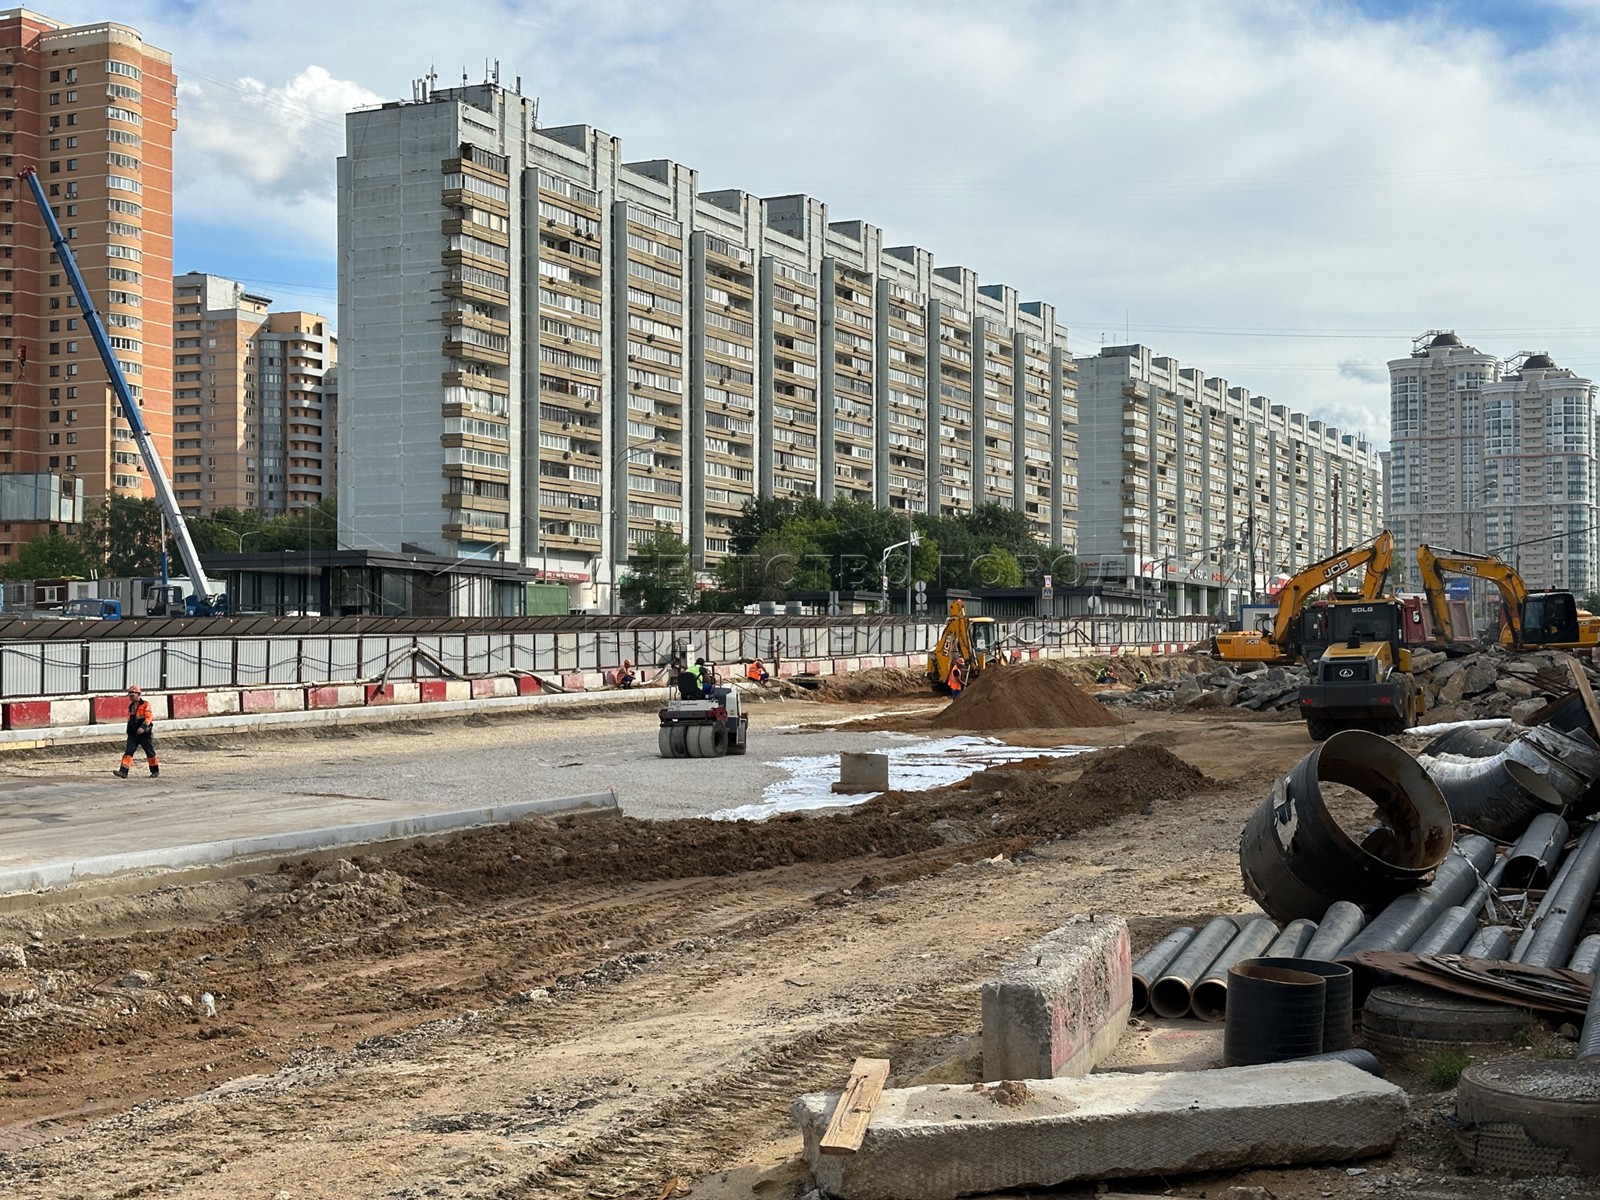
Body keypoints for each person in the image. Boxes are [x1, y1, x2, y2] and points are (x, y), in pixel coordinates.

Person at [116, 684, 158, 778]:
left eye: (132, 695)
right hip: (133, 733)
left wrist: (143, 728)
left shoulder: (145, 705)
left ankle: (155, 771)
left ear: (138, 694)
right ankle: (123, 772)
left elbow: (149, 717)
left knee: (149, 752)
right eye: (129, 695)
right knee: (129, 751)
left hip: (145, 733)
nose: (130, 697)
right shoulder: (131, 706)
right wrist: (129, 731)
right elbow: (130, 720)